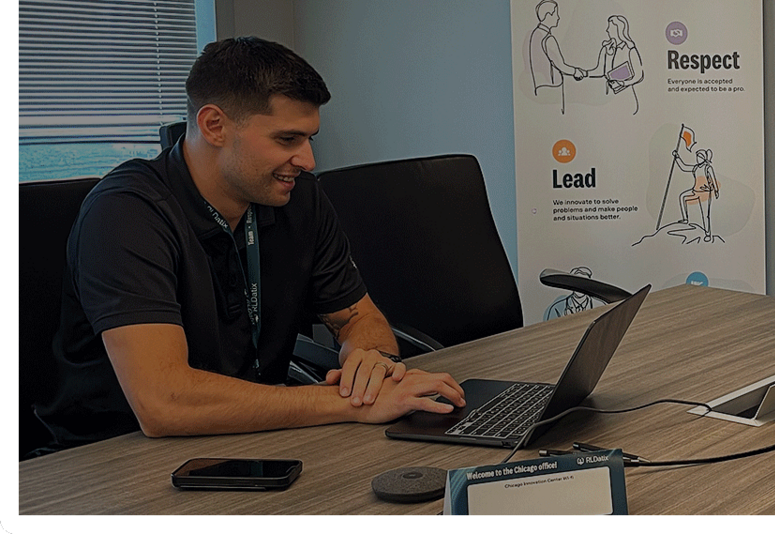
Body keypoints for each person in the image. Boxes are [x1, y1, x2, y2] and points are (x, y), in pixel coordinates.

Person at [36, 37, 466, 452]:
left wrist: (371, 362)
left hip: (257, 434)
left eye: (310, 139)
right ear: (214, 126)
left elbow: (359, 317)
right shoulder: (125, 213)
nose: (308, 161)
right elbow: (163, 403)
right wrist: (350, 403)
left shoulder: (300, 198)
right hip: (114, 458)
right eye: (287, 139)